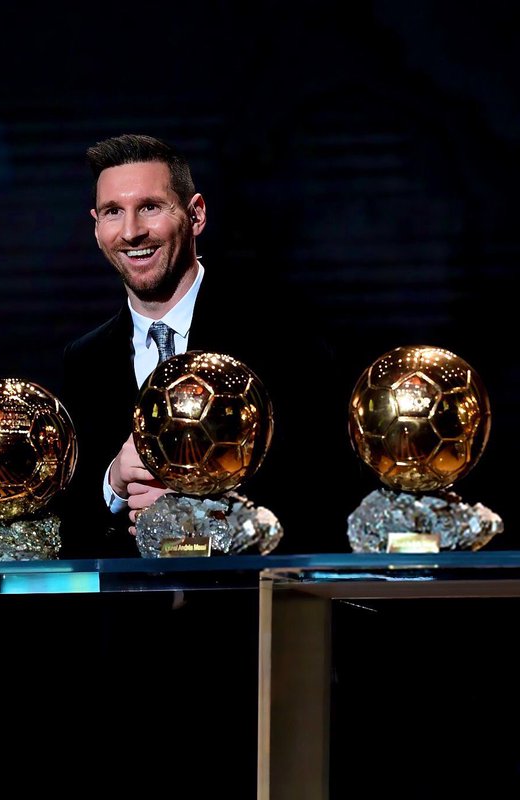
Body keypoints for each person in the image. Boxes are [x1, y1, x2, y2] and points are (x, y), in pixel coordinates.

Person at [56, 133, 355, 558]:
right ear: (96, 227)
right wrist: (114, 483)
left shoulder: (282, 337)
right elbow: (70, 526)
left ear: (195, 215)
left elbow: (327, 488)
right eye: (113, 212)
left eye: (150, 207)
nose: (132, 232)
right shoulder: (84, 361)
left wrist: (201, 511)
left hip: (248, 596)